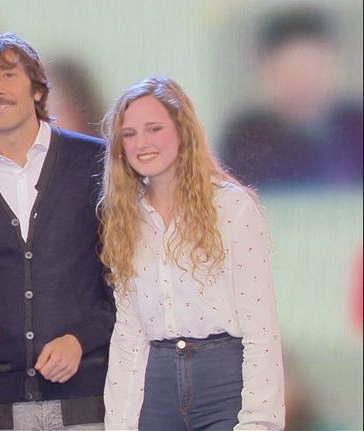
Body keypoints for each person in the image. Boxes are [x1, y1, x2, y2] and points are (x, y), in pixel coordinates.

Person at [0, 33, 114, 430]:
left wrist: (81, 340)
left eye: (8, 75)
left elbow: (126, 280)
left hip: (89, 401)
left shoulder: (96, 162)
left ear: (36, 88)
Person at [99, 76, 285, 430]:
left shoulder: (231, 207)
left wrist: (260, 420)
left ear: (182, 131)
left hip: (224, 381)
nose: (142, 143)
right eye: (129, 134)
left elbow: (261, 326)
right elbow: (129, 332)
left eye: (154, 129)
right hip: (155, 385)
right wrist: (120, 422)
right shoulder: (125, 218)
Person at [221, 7, 363, 188]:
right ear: (267, 75)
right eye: (292, 74)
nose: (305, 86)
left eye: (313, 72)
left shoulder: (357, 127)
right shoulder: (245, 139)